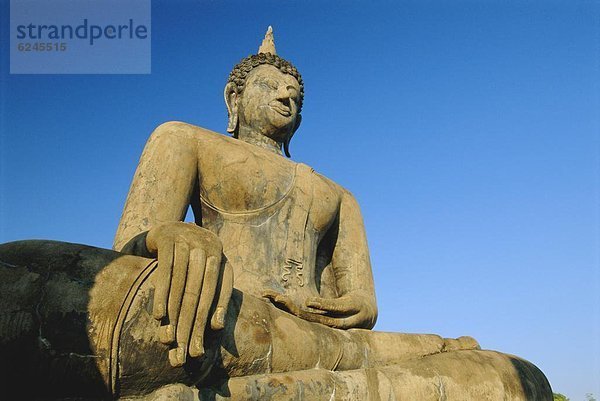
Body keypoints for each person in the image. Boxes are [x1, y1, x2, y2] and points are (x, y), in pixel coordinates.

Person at [0, 27, 552, 400]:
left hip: (316, 332)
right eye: (272, 85)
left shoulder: (338, 195)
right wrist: (173, 236)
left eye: (296, 93)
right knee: (120, 303)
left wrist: (329, 306)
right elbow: (127, 247)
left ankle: (445, 347)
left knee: (458, 354)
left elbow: (364, 302)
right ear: (233, 97)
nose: (287, 97)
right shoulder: (185, 139)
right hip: (225, 313)